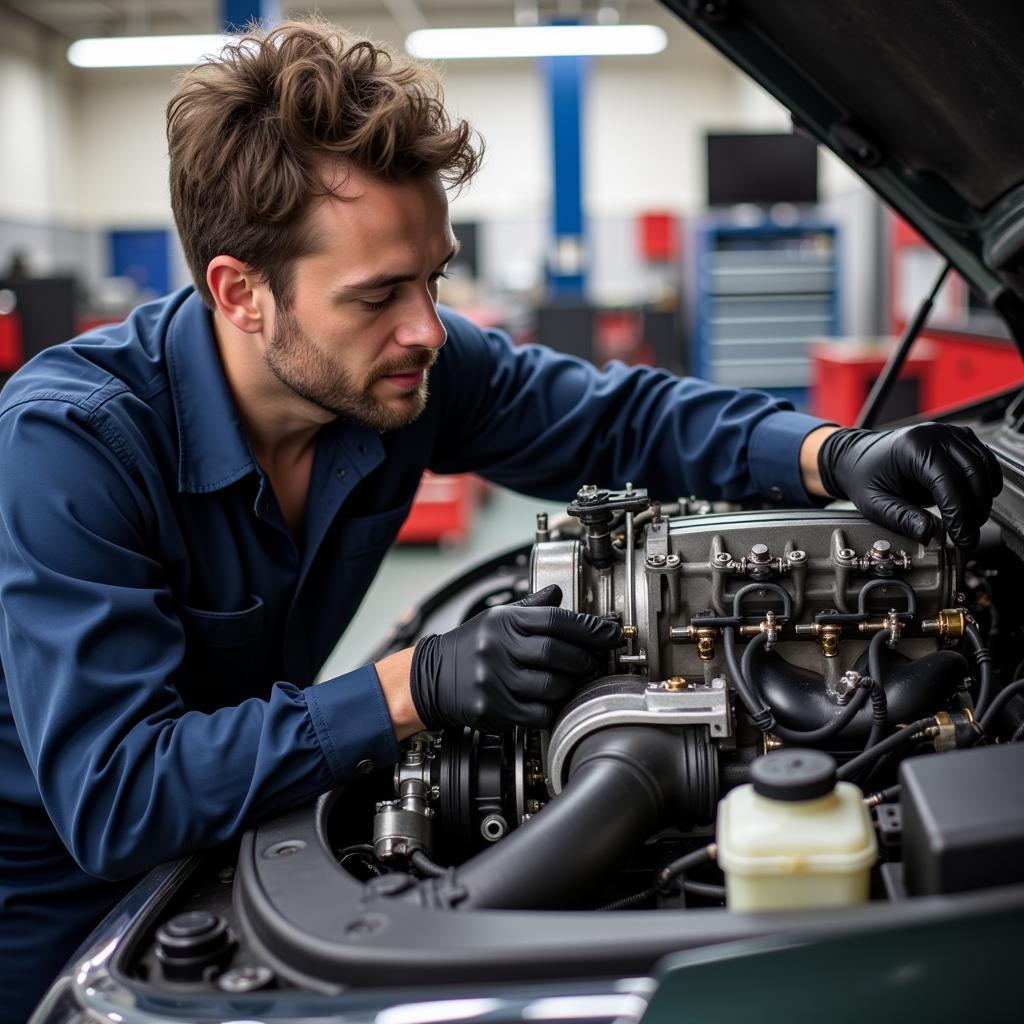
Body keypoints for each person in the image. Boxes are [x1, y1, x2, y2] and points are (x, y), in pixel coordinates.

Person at [0, 19, 1002, 1021]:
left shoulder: (401, 374)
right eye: (378, 294)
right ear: (239, 291)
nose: (427, 329)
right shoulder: (69, 451)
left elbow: (618, 416)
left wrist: (832, 454)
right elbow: (117, 794)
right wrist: (410, 683)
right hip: (53, 906)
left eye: (434, 277)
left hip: (234, 808)